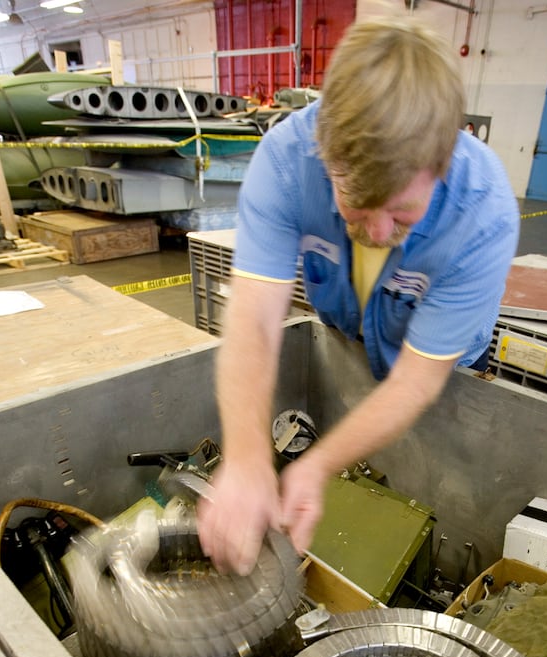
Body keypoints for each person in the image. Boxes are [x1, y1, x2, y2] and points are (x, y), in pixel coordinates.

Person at [198, 16, 520, 576]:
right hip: (348, 332)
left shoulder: (483, 214)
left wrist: (315, 466)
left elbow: (418, 382)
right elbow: (252, 321)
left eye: (401, 211)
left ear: (442, 166)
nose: (375, 232)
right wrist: (248, 458)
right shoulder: (285, 161)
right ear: (325, 154)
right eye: (353, 202)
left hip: (442, 371)